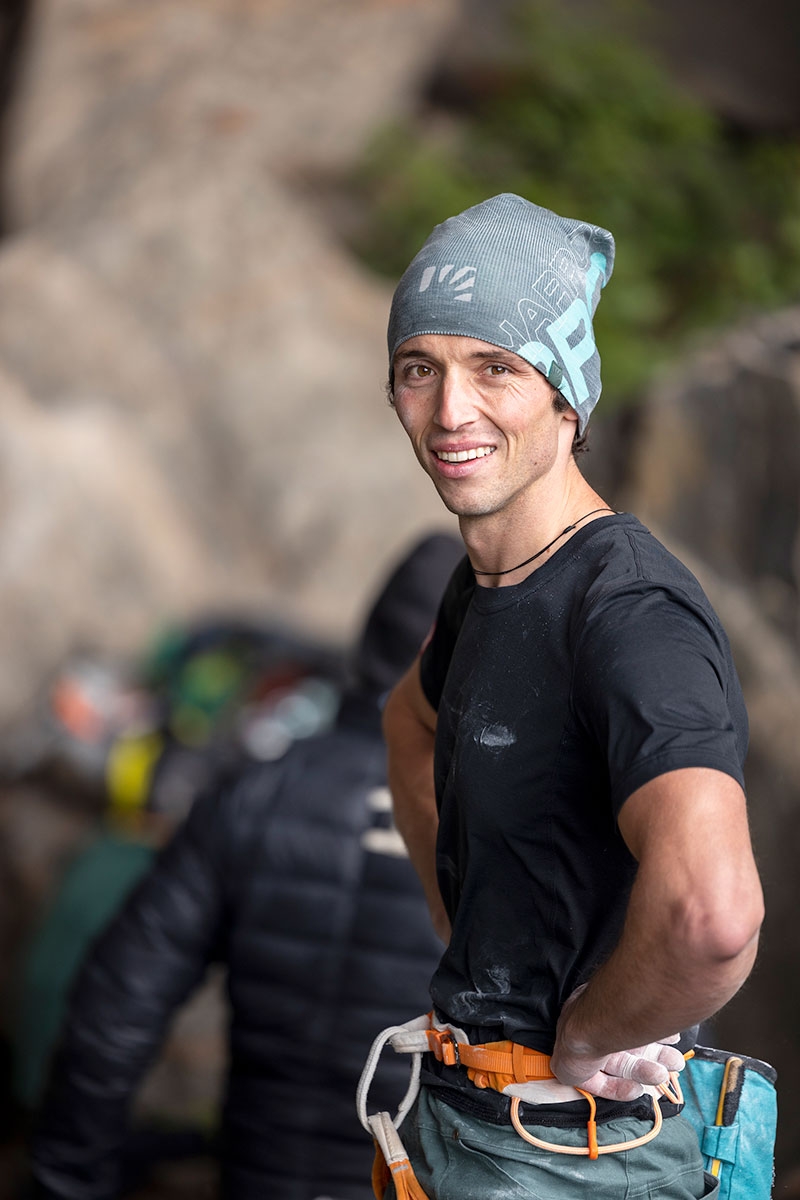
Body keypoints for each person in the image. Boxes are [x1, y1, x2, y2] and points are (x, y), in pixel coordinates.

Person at [372, 193, 765, 1199]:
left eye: (494, 367)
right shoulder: (486, 587)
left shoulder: (628, 612)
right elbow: (406, 721)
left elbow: (712, 916)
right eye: (420, 369)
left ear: (565, 396)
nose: (450, 410)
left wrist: (591, 1030)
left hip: (582, 1153)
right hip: (470, 1124)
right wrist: (464, 931)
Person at [28, 531, 464, 1200]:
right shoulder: (503, 832)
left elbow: (113, 1007)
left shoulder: (255, 795)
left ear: (368, 640)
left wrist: (68, 1180)